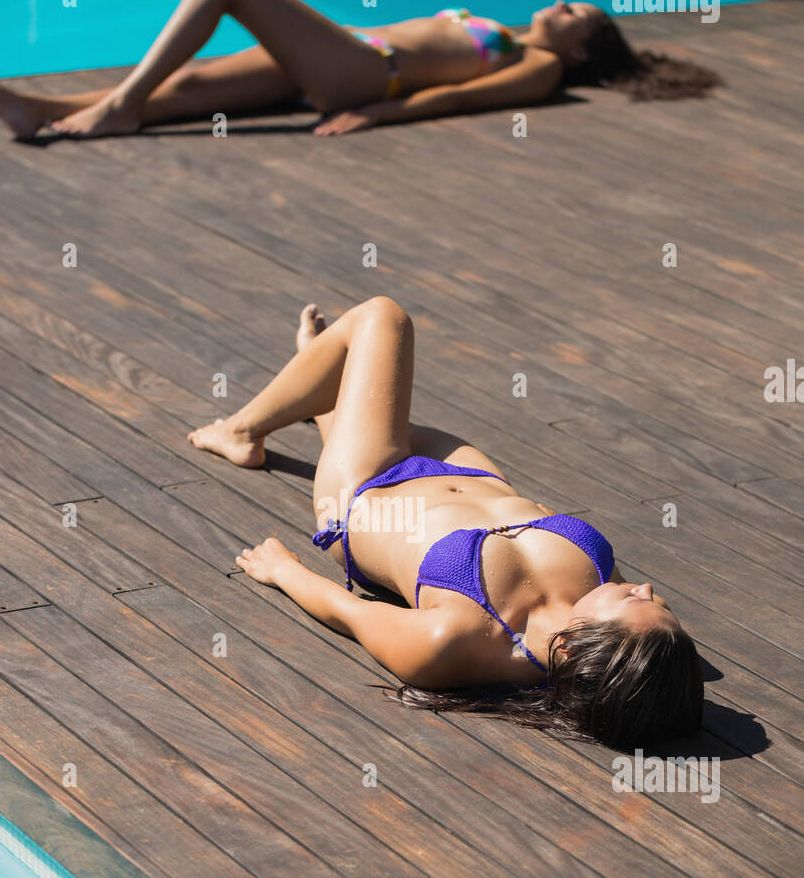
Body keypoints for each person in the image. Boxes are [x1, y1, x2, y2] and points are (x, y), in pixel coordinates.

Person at [189, 296, 704, 748]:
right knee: (363, 398)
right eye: (656, 602)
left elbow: (352, 613)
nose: (646, 587)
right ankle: (321, 377)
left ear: (572, 644)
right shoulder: (630, 640)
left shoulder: (452, 642)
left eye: (636, 601)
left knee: (382, 318)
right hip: (471, 472)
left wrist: (283, 571)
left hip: (366, 489)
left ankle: (241, 429)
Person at [0, 0, 719, 141]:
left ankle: (119, 107)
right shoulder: (513, 31)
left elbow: (460, 96)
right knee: (195, 82)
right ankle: (39, 112)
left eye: (572, 13)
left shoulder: (545, 66)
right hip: (350, 51)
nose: (558, 5)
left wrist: (378, 115)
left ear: (583, 50)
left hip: (366, 75)